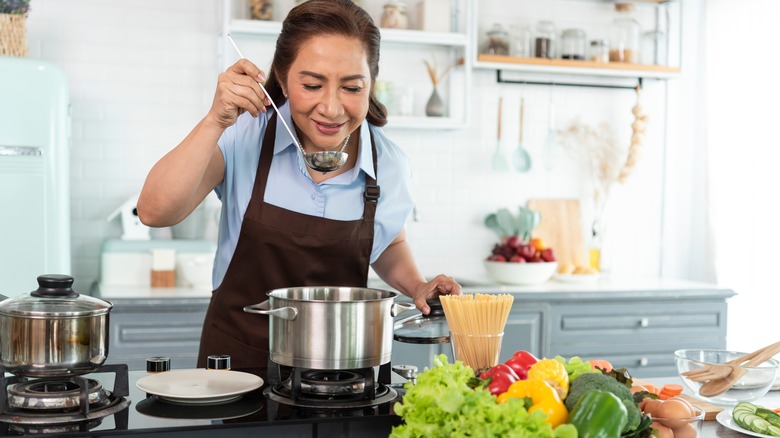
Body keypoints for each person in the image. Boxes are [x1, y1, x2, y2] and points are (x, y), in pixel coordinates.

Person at [137, 0, 461, 375]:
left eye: (352, 87)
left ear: (371, 83)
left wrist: (417, 285)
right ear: (282, 76)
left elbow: (388, 241)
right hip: (237, 366)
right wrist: (214, 120)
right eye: (312, 85)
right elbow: (155, 212)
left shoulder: (388, 162)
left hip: (342, 370)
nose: (332, 108)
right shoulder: (243, 136)